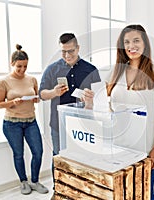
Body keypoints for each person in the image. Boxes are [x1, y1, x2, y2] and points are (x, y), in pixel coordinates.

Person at [83, 24, 154, 200]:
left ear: (145, 43)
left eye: (136, 40)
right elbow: (108, 110)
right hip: (118, 148)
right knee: (122, 193)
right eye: (127, 42)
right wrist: (90, 104)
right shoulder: (114, 73)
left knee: (144, 193)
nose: (131, 46)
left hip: (146, 148)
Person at [38, 33, 101, 195]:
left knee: (83, 160)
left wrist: (92, 101)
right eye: (63, 51)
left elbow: (101, 99)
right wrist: (53, 92)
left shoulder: (91, 70)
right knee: (59, 158)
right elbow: (41, 94)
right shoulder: (52, 69)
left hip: (85, 125)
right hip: (58, 125)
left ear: (78, 48)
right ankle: (58, 190)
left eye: (71, 51)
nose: (67, 55)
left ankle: (80, 192)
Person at [0, 44, 49, 195]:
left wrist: (35, 99)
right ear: (12, 64)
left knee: (38, 152)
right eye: (19, 66)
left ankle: (35, 181)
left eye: (25, 66)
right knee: (18, 154)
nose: (22, 69)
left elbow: (37, 98)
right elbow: (0, 104)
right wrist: (13, 102)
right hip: (12, 124)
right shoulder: (3, 82)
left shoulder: (32, 79)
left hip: (30, 121)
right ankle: (24, 182)